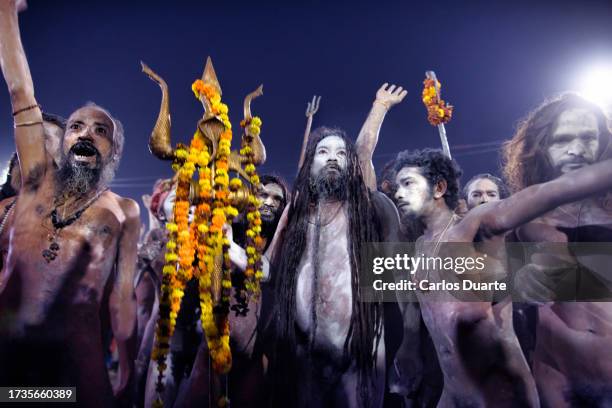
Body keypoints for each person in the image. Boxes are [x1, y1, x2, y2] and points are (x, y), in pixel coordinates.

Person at [389, 146, 612, 406]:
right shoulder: (420, 248)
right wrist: (410, 346)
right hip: (453, 395)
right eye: (397, 185)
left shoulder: (476, 227)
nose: (398, 193)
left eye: (407, 183)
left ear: (438, 188)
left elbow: (553, 191)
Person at [0, 1, 140, 406]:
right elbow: (20, 91)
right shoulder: (34, 183)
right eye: (76, 126)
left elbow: (121, 297)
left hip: (77, 369)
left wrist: (129, 366)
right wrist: (7, 11)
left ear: (113, 152)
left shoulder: (123, 211)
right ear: (61, 143)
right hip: (10, 361)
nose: (86, 135)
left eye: (100, 131)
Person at [252, 127, 401, 407]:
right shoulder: (295, 211)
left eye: (341, 153)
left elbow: (394, 288)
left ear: (351, 164)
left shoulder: (370, 210)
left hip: (358, 356)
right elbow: (267, 270)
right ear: (310, 164)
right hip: (304, 356)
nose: (333, 158)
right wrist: (227, 245)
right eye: (323, 152)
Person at [502, 93, 612, 406]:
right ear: (540, 147)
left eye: (588, 137)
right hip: (557, 374)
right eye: (562, 139)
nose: (576, 150)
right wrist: (519, 281)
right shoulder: (518, 216)